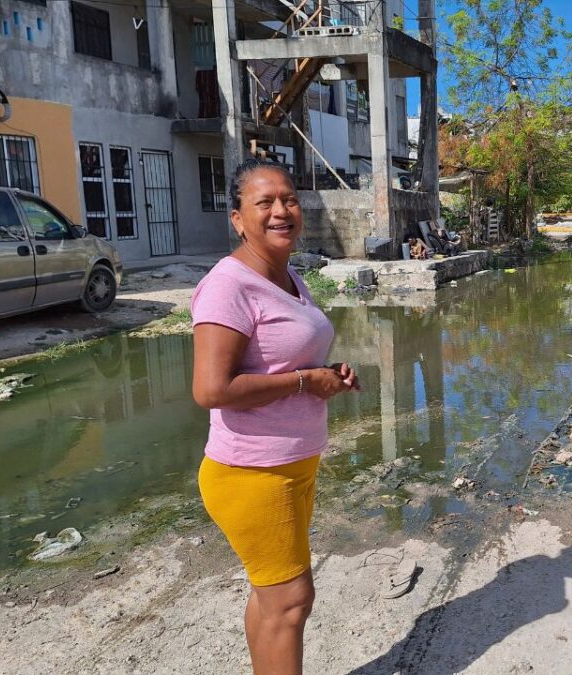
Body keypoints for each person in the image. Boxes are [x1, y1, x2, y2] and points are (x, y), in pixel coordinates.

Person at [190, 159, 359, 674]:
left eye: (289, 200)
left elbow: (280, 362)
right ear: (237, 218)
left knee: (272, 601)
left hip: (291, 466)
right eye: (264, 203)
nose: (281, 211)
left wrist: (326, 375)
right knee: (291, 602)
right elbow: (211, 389)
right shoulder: (229, 285)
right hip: (251, 473)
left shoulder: (287, 278)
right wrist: (308, 382)